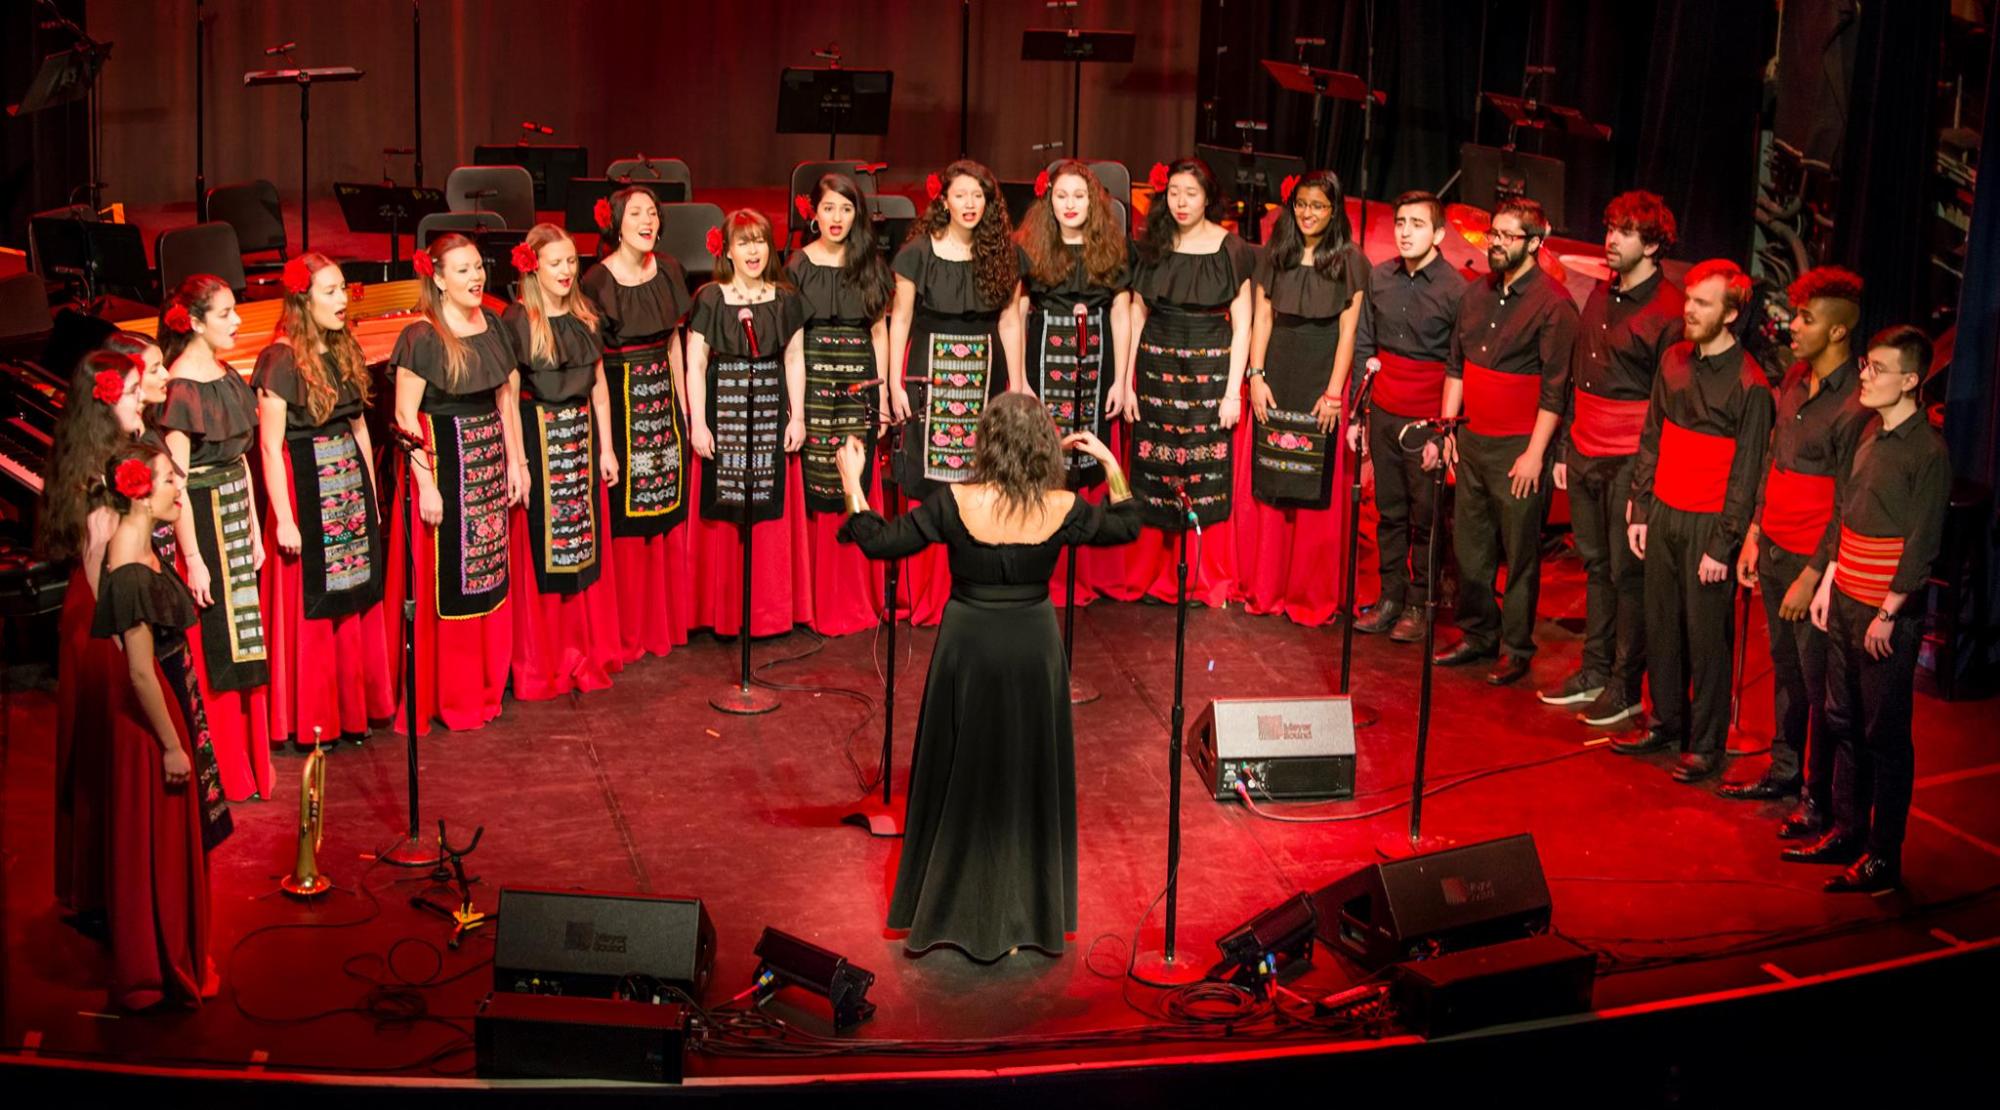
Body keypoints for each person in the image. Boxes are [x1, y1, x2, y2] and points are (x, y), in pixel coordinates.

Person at [836, 393, 1139, 959]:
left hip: (968, 647)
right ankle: (1031, 912)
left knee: (961, 766)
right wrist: (1109, 462)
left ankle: (948, 904)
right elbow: (1127, 526)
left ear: (986, 445)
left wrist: (853, 483)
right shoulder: (1063, 506)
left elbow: (879, 542)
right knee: (1027, 770)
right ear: (1044, 449)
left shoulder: (954, 502)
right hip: (1033, 650)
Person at [1788, 327, 1949, 893]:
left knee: (1885, 734)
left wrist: (1889, 612)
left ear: (1910, 381)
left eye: (1878, 369)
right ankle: (1847, 829)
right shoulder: (1868, 432)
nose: (1865, 375)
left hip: (1884, 614)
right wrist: (1828, 580)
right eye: (1866, 364)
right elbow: (1845, 513)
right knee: (1842, 718)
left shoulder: (1927, 453)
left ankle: (1884, 854)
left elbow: (1923, 542)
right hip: (1846, 599)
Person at [1617, 260, 1774, 782]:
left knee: (1706, 639)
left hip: (1709, 522)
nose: (1688, 309)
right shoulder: (1673, 360)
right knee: (1661, 624)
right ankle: (1665, 720)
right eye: (1688, 299)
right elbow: (1653, 436)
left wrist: (1723, 545)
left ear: (1730, 314)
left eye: (1702, 303)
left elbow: (1747, 473)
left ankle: (1705, 743)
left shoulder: (1751, 385)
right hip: (1664, 509)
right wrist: (1642, 507)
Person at [1724, 267, 1869, 823]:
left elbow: (1846, 503)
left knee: (1820, 681)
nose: (1794, 326)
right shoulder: (1793, 379)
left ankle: (1818, 795)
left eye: (1806, 318)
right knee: (1786, 671)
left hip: (1815, 563)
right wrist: (1754, 535)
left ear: (1837, 330)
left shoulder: (1855, 403)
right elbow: (1773, 461)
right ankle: (1785, 772)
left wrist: (1812, 575)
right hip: (1775, 547)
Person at [1541, 192, 1684, 726]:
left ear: (1653, 244)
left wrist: (1645, 483)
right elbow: (1578, 372)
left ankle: (1625, 684)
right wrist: (1565, 445)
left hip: (1630, 457)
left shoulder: (1668, 311)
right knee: (1596, 566)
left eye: (1625, 232)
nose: (1611, 240)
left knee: (1628, 575)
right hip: (1585, 447)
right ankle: (1595, 669)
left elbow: (1666, 406)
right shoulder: (1603, 291)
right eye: (1610, 229)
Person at [92, 443, 225, 1010]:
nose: (180, 488)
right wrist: (172, 746)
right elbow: (141, 672)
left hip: (169, 704)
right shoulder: (128, 570)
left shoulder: (140, 541)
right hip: (152, 726)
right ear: (142, 495)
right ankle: (161, 964)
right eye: (170, 479)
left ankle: (180, 951)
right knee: (162, 844)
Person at [1433, 198, 1579, 685]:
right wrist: (1448, 429)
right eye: (1492, 233)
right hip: (1472, 439)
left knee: (1518, 554)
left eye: (1506, 236)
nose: (1494, 243)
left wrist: (1535, 455)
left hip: (1517, 447)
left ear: (1534, 243)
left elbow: (1555, 390)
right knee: (1469, 545)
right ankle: (1478, 633)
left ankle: (1515, 647)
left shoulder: (1554, 305)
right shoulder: (1475, 295)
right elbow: (1456, 366)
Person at [385, 233, 525, 734]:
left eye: (478, 267)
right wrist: (426, 484)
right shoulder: (422, 336)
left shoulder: (493, 323)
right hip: (444, 467)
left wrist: (517, 462)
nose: (476, 277)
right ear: (439, 279)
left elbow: (506, 399)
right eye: (462, 270)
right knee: (448, 586)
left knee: (489, 576)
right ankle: (451, 692)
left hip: (488, 466)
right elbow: (406, 416)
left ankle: (487, 683)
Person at [254, 253, 393, 750]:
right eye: (330, 291)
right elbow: (269, 446)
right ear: (302, 299)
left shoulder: (343, 348)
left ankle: (352, 711)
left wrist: (371, 497)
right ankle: (315, 718)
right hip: (305, 487)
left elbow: (359, 427)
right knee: (312, 607)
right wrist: (284, 519)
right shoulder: (280, 360)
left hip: (349, 487)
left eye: (343, 290)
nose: (342, 300)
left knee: (353, 597)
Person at [887, 160, 1027, 623]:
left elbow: (1010, 321)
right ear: (944, 200)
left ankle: (977, 586)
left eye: (978, 196)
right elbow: (901, 320)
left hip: (987, 373)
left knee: (983, 478)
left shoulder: (1003, 253)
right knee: (931, 484)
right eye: (961, 195)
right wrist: (894, 381)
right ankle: (928, 594)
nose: (970, 204)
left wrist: (1018, 383)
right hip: (928, 371)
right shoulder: (918, 253)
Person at [41, 350, 150, 922]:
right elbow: (96, 566)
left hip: (96, 610)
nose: (142, 399)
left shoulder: (104, 452)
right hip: (100, 620)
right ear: (105, 403)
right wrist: (126, 641)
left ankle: (102, 884)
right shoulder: (97, 472)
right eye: (132, 392)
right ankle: (106, 888)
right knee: (106, 747)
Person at [157, 274, 272, 800]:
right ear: (196, 323)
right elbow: (177, 483)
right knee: (215, 645)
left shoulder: (226, 376)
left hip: (234, 515)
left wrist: (253, 525)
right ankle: (223, 765)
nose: (237, 320)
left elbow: (239, 458)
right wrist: (194, 557)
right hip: (200, 524)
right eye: (225, 313)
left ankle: (249, 762)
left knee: (245, 640)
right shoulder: (182, 388)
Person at [1125, 157, 1258, 605]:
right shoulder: (1153, 245)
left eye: (1191, 194)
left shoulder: (1231, 249)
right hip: (1156, 368)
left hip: (1210, 372)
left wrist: (1232, 392)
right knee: (1157, 470)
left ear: (1208, 199)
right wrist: (1127, 381)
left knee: (1205, 473)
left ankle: (1202, 577)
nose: (1181, 202)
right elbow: (1137, 313)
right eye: (1174, 193)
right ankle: (1157, 573)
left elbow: (1243, 324)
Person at [503, 224, 625, 700]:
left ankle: (584, 646)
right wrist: (519, 462)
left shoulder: (585, 315)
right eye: (556, 262)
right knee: (543, 554)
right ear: (533, 267)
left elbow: (599, 389)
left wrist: (607, 448)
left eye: (572, 261)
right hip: (538, 436)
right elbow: (508, 398)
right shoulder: (519, 320)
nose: (567, 270)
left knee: (582, 550)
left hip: (581, 437)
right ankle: (546, 657)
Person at [1241, 169, 1367, 625]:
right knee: (1273, 481)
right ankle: (1267, 587)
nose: (1308, 214)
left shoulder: (1350, 260)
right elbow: (1262, 318)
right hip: (1277, 370)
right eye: (1301, 205)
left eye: (1318, 206)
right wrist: (1256, 375)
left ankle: (1309, 595)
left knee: (1315, 485)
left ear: (1334, 211)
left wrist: (1334, 393)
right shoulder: (1277, 253)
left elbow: (1348, 332)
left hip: (1322, 376)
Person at [580, 184, 695, 660]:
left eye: (652, 213)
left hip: (663, 400)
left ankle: (662, 622)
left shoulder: (668, 269)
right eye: (635, 214)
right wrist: (605, 441)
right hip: (619, 398)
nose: (647, 221)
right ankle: (627, 629)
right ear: (616, 224)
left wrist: (684, 408)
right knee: (625, 517)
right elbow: (592, 364)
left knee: (665, 511)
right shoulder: (596, 281)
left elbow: (673, 344)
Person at [685, 208, 811, 636]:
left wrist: (798, 416)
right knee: (724, 515)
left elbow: (794, 358)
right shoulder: (710, 297)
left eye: (759, 241)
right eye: (744, 243)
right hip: (723, 411)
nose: (753, 251)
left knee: (768, 515)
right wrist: (698, 424)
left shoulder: (786, 298)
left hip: (772, 410)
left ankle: (767, 613)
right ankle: (723, 613)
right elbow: (695, 363)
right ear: (728, 251)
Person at [1013, 158, 1134, 605]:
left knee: (1089, 456)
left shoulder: (1112, 247)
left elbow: (1121, 311)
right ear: (1049, 200)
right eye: (1061, 196)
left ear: (1093, 201)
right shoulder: (1032, 246)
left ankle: (1081, 572)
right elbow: (1017, 311)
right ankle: (1041, 566)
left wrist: (1122, 379)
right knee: (1046, 456)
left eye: (1079, 196)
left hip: (1097, 358)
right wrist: (1020, 377)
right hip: (1045, 353)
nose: (1070, 204)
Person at [1350, 191, 1467, 642]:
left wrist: (1446, 431)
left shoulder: (1456, 290)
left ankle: (1420, 603)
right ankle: (1390, 598)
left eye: (1416, 224)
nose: (1404, 232)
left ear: (1438, 234)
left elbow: (1458, 363)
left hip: (1426, 418)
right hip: (1384, 409)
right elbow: (1365, 345)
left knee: (1426, 516)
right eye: (1400, 222)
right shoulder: (1380, 277)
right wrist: (1359, 413)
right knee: (1390, 511)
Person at [788, 173, 892, 636]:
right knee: (816, 478)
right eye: (829, 208)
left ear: (857, 215)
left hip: (857, 377)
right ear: (814, 212)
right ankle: (811, 599)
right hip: (812, 376)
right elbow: (791, 340)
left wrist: (882, 394)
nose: (837, 218)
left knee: (854, 469)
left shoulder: (869, 264)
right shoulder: (798, 265)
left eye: (846, 209)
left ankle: (850, 596)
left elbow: (879, 332)